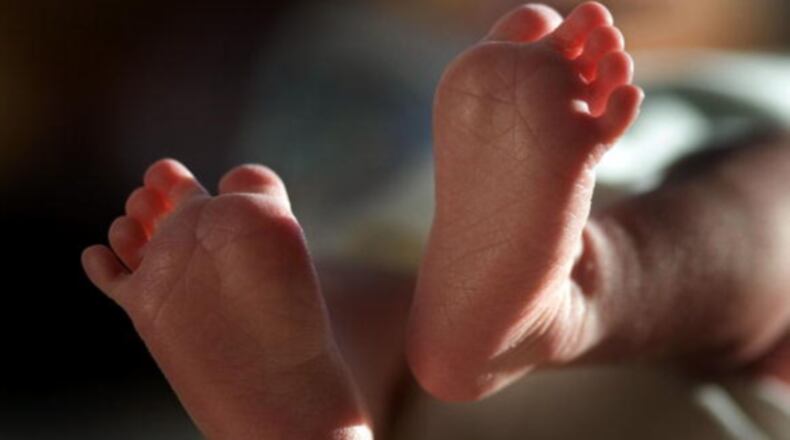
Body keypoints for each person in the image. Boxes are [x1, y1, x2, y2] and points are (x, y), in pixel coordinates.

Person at [80, 2, 790, 438]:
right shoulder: (358, 56)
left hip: (440, 333)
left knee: (355, 297)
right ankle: (570, 286)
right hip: (467, 299)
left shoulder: (750, 74)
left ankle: (338, 391)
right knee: (759, 207)